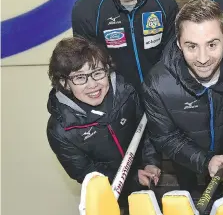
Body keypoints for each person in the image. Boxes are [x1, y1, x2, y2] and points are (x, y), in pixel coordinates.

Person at [143, 0, 223, 192]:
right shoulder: (157, 83)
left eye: (212, 45)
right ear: (179, 44)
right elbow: (165, 137)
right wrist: (205, 161)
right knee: (187, 190)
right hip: (184, 158)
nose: (203, 59)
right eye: (191, 46)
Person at [47, 37, 161, 203]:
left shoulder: (125, 92)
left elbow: (145, 128)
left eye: (98, 73)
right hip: (108, 192)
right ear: (64, 83)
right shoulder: (60, 130)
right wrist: (131, 179)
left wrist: (150, 162)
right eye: (80, 78)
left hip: (145, 175)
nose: (93, 84)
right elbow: (85, 171)